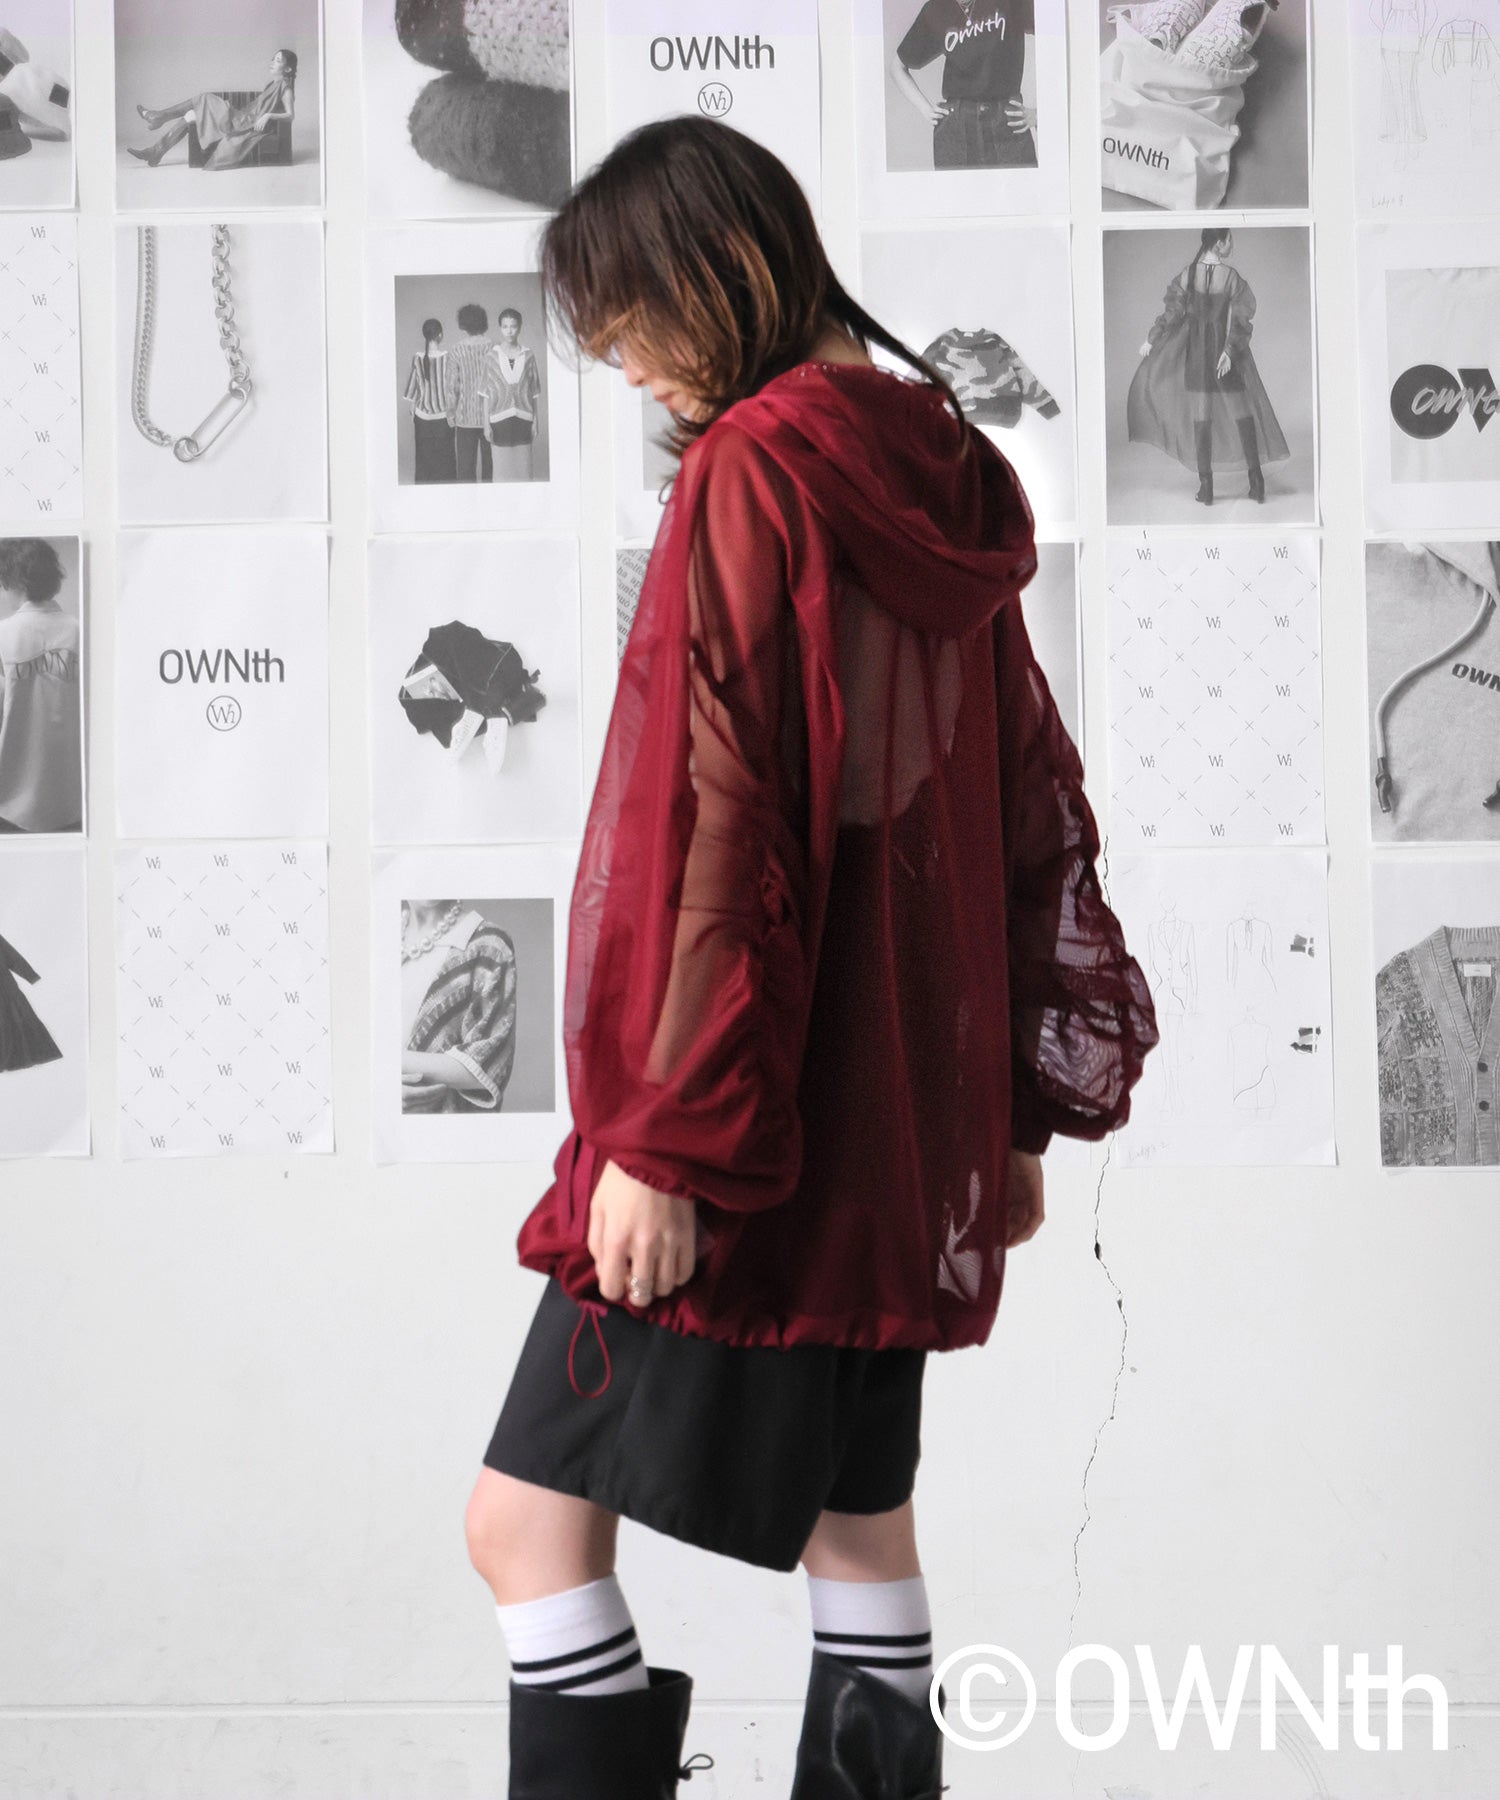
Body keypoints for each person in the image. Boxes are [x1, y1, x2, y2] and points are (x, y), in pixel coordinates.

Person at [462, 116, 1158, 1798]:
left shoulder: (759, 467)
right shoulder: (936, 461)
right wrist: (1002, 1116)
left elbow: (722, 824)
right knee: (862, 1534)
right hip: (889, 1128)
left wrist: (662, 1141)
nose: (619, 361)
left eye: (628, 317)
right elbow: (1016, 806)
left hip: (748, 1130)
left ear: (717, 267)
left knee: (523, 1531)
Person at [1126, 226, 1290, 505]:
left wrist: (1152, 339)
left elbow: (1172, 312)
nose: (1231, 244)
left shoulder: (1188, 275)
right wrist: (1229, 351)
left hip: (1198, 354)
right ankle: (1256, 483)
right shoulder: (1231, 277)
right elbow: (1241, 318)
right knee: (1242, 414)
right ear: (1218, 242)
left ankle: (1207, 489)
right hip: (1224, 353)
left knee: (1202, 417)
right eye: (1229, 239)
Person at [890, 0, 1038, 169]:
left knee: (1021, 186)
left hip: (1007, 125)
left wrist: (1039, 113)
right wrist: (926, 109)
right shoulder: (937, 8)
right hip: (956, 132)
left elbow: (1056, 35)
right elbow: (897, 68)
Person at [400, 900, 517, 1112]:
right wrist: (382, 1090)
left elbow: (485, 1065)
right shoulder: (375, 931)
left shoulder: (487, 944)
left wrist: (390, 1065)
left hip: (445, 1126)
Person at [0, 538, 82, 835]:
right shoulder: (79, 630)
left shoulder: (4, 633)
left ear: (15, 581)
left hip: (10, 798)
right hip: (73, 797)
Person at [127, 48, 296, 169]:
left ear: (288, 68)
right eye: (273, 59)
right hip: (242, 117)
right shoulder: (272, 85)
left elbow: (290, 115)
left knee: (204, 97)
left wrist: (268, 116)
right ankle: (156, 151)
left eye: (278, 61)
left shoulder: (286, 88)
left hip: (244, 124)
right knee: (191, 115)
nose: (272, 62)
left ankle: (159, 117)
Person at [483, 306, 542, 482]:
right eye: (505, 326)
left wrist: (535, 422)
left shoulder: (528, 355)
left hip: (524, 420)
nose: (509, 331)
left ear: (520, 327)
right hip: (498, 421)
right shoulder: (491, 356)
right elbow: (485, 394)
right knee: (501, 473)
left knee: (524, 472)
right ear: (500, 328)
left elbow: (534, 392)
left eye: (513, 326)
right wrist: (486, 425)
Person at [444, 303, 495, 482]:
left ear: (463, 323)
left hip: (465, 417)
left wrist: (450, 413)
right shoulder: (494, 347)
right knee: (492, 470)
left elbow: (452, 385)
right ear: (483, 321)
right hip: (492, 417)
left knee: (465, 472)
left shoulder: (457, 349)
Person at [404, 317, 456, 483]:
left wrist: (413, 408)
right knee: (446, 463)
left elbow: (414, 386)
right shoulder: (447, 357)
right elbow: (452, 388)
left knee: (424, 463)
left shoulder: (417, 358)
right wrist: (453, 413)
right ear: (440, 335)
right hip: (443, 419)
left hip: (422, 418)